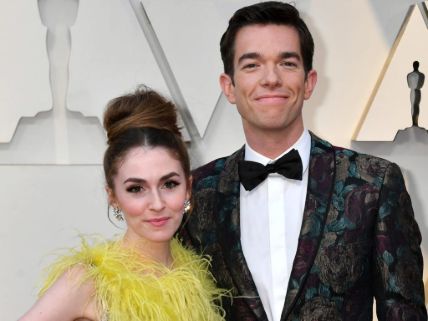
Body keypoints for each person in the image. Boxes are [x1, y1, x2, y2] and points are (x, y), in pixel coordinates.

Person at [180, 2, 427, 321]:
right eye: (252, 65)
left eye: (287, 63)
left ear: (309, 82)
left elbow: (405, 314)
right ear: (229, 86)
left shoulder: (374, 182)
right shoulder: (197, 191)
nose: (271, 78)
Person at [19, 87, 226, 321]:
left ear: (188, 187)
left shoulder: (197, 278)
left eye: (169, 184)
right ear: (113, 196)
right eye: (136, 189)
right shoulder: (89, 281)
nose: (157, 204)